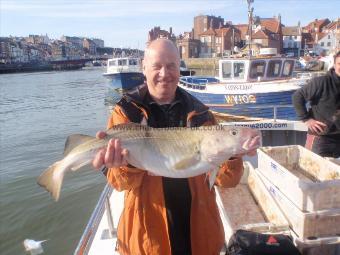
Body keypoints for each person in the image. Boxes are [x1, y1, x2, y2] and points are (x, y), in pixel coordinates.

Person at [93, 39, 252, 255]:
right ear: (144, 68)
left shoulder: (202, 114)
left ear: (180, 68)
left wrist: (234, 154)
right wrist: (124, 165)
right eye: (157, 66)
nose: (164, 73)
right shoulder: (125, 114)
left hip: (200, 233)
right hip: (148, 237)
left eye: (171, 66)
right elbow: (120, 183)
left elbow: (228, 181)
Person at [292, 50, 340, 158]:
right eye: (339, 64)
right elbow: (297, 96)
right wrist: (306, 119)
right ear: (334, 64)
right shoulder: (321, 82)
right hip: (321, 139)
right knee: (313, 170)